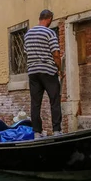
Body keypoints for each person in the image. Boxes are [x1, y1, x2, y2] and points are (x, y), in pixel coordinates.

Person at [24, 9, 63, 138]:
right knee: (55, 100)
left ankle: (37, 132)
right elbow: (56, 54)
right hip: (48, 70)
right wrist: (60, 69)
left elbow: (26, 52)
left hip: (33, 72)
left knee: (35, 103)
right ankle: (57, 130)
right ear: (49, 18)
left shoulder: (28, 34)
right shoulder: (49, 33)